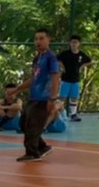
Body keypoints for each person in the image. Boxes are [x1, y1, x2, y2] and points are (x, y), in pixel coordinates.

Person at [7, 28, 62, 162]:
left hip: (44, 98)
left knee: (33, 125)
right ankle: (42, 146)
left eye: (41, 38)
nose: (38, 42)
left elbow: (55, 78)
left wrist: (52, 98)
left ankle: (32, 152)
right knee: (23, 122)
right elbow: (34, 79)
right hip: (34, 97)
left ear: (49, 40)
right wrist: (17, 89)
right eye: (36, 39)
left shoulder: (51, 58)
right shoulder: (37, 59)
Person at [57, 34, 92, 121]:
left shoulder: (81, 55)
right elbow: (56, 59)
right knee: (62, 97)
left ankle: (73, 114)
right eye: (72, 42)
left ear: (79, 44)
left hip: (76, 79)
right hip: (65, 79)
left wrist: (81, 67)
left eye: (76, 42)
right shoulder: (65, 54)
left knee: (74, 97)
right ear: (70, 43)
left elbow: (90, 61)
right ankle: (58, 114)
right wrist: (62, 66)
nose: (74, 44)